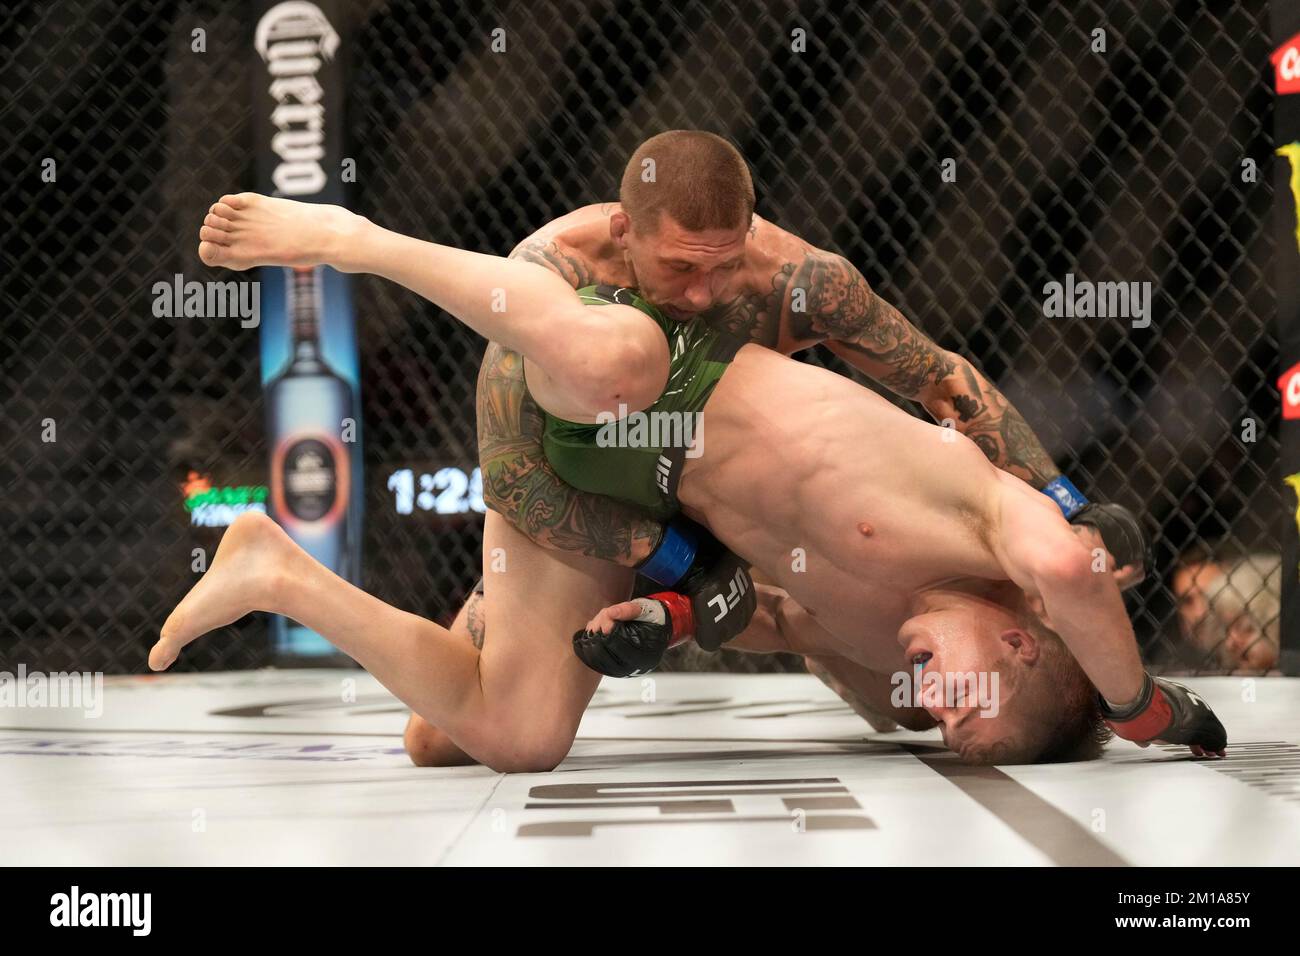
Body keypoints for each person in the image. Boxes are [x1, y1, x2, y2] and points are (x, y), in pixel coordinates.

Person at [152, 175, 1224, 768]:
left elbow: (756, 609)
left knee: (492, 736)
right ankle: (355, 235)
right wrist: (1142, 707)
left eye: (952, 726)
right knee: (618, 356)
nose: (936, 705)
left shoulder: (880, 670)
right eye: (970, 695)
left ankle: (276, 569)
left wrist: (666, 612)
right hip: (609, 373)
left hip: (636, 495)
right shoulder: (1000, 529)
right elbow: (969, 412)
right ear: (1016, 635)